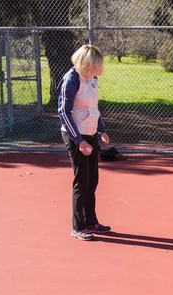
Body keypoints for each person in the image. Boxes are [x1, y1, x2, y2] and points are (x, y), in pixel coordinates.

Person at [58, 44, 111, 241]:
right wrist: (79, 141)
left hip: (90, 132)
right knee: (82, 181)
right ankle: (78, 226)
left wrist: (102, 130)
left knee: (93, 179)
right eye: (95, 65)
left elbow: (93, 108)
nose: (98, 69)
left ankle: (90, 221)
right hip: (75, 135)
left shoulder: (92, 79)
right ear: (86, 63)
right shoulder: (70, 79)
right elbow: (64, 112)